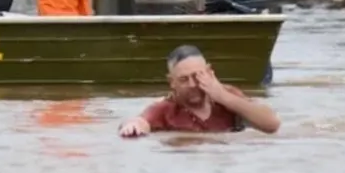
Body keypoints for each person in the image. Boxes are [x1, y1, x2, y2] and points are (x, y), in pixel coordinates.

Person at [118, 45, 281, 137]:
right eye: (184, 79)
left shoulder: (228, 97)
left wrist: (223, 97)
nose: (192, 84)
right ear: (171, 82)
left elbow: (272, 124)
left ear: (210, 72)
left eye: (197, 76)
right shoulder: (166, 110)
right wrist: (132, 126)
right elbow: (140, 121)